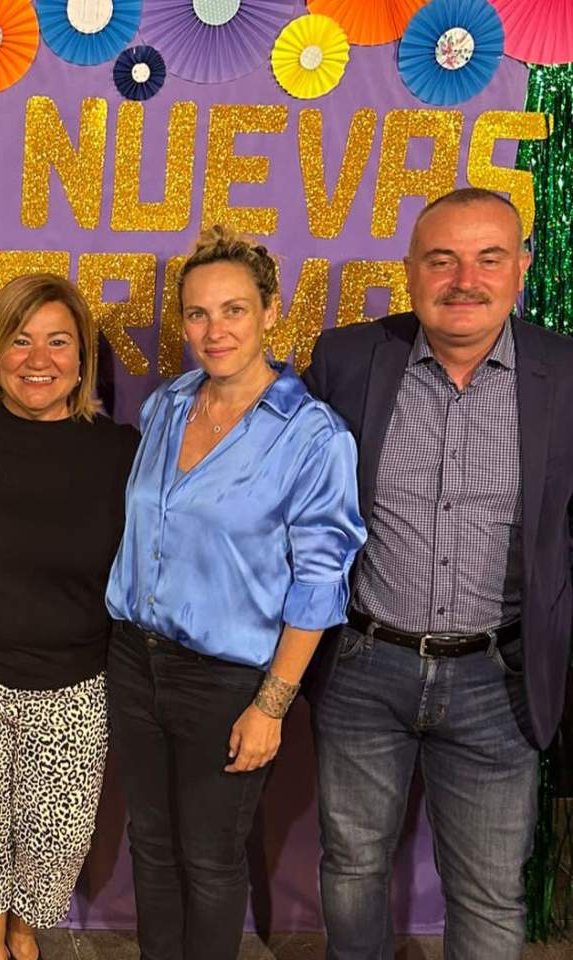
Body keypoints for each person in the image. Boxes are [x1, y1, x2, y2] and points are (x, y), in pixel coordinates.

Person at [303, 187, 573, 960]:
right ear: (411, 269)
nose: (465, 281)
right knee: (352, 866)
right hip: (362, 668)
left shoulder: (565, 373)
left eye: (488, 258)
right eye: (442, 260)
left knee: (488, 891)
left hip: (501, 678)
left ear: (521, 268)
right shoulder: (348, 359)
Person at [105, 225, 366, 960]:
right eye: (197, 313)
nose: (214, 330)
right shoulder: (167, 404)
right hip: (133, 660)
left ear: (270, 312)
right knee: (151, 844)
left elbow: (320, 581)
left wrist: (271, 704)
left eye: (234, 310)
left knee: (211, 859)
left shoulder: (313, 436)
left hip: (227, 681)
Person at [0, 273, 138, 960]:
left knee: (57, 838)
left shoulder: (118, 451)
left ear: (82, 358)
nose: (38, 360)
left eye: (58, 342)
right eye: (20, 340)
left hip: (73, 678)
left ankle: (23, 933)